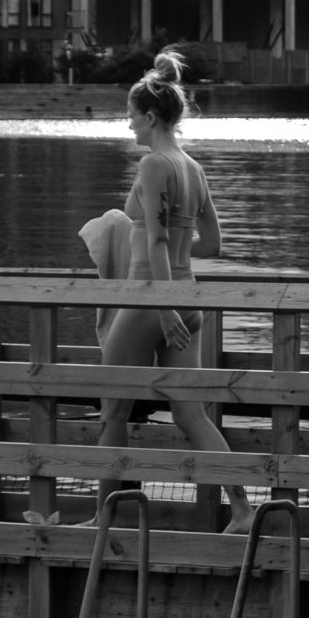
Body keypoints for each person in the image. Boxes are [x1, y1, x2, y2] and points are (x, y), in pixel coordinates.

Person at [95, 51, 254, 534]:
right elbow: (214, 243)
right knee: (191, 413)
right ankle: (244, 509)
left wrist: (160, 304)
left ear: (149, 116)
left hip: (153, 298)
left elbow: (158, 240)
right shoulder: (193, 168)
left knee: (112, 411)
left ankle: (112, 521)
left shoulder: (153, 166)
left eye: (130, 118)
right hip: (189, 294)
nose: (128, 128)